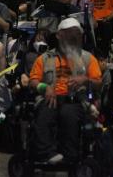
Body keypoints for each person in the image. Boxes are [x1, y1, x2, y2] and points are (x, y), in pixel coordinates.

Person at [29, 18, 102, 164]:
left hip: (76, 100)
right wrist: (45, 87)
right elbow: (33, 81)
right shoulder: (45, 58)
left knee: (68, 114)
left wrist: (85, 80)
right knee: (45, 112)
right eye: (69, 34)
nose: (73, 37)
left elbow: (99, 83)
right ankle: (46, 154)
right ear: (59, 35)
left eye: (76, 34)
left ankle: (71, 156)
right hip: (51, 98)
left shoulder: (88, 58)